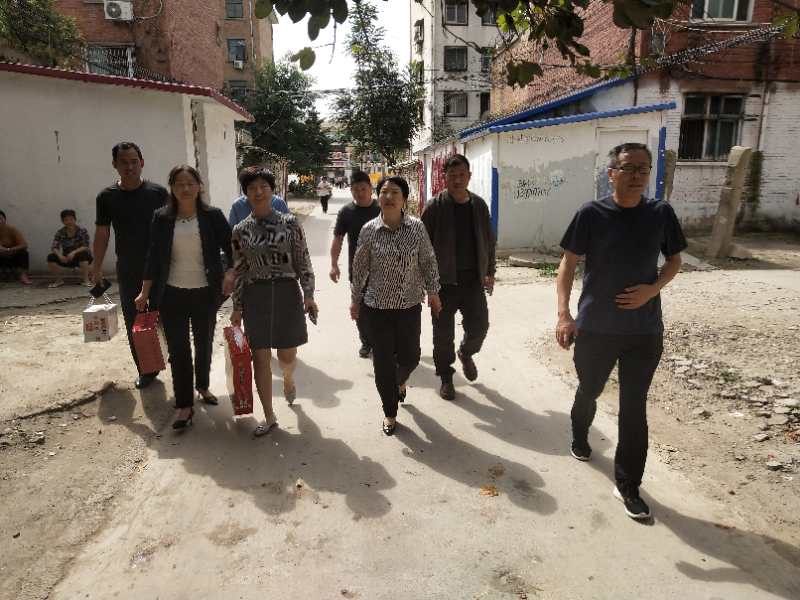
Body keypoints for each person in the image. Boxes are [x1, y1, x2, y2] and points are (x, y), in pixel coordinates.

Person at [556, 142, 687, 521]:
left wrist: (652, 290)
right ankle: (580, 432)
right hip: (596, 327)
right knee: (590, 389)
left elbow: (674, 260)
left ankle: (628, 485)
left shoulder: (660, 213)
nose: (637, 176)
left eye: (644, 169)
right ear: (611, 173)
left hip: (643, 331)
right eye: (629, 168)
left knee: (634, 407)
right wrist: (564, 314)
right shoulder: (591, 214)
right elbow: (567, 264)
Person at [135, 165, 233, 431]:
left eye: (190, 183)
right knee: (178, 350)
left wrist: (230, 273)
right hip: (171, 294)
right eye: (179, 184)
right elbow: (153, 256)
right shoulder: (162, 218)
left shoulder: (213, 216)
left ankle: (202, 386)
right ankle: (184, 405)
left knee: (203, 343)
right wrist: (145, 291)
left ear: (199, 186)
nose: (185, 188)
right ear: (172, 188)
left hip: (205, 293)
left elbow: (231, 248)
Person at [230, 167, 318, 437]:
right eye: (252, 188)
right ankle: (269, 416)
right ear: (245, 194)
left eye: (263, 187)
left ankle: (288, 378)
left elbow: (303, 260)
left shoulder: (290, 224)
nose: (258, 192)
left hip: (286, 293)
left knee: (286, 356)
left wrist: (309, 294)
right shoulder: (240, 230)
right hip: (255, 296)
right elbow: (240, 270)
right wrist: (237, 306)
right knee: (260, 358)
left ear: (272, 190)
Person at [350, 176, 441, 436]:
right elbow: (359, 268)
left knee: (411, 357)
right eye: (384, 192)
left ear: (404, 199)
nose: (389, 197)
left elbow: (428, 261)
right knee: (382, 365)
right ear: (378, 197)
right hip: (376, 308)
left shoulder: (417, 228)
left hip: (409, 305)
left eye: (395, 192)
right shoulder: (369, 230)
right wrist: (355, 300)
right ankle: (389, 412)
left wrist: (433, 292)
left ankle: (400, 382)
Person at [421, 154, 496, 401]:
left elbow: (489, 241)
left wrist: (490, 271)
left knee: (480, 327)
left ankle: (466, 352)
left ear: (469, 176)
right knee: (443, 335)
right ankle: (446, 376)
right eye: (452, 175)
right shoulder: (434, 207)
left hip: (472, 281)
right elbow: (421, 247)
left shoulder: (479, 206)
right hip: (443, 283)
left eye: (461, 175)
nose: (457, 180)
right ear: (444, 177)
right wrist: (426, 285)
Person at [93, 142, 168, 389]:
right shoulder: (106, 197)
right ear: (114, 165)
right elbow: (102, 233)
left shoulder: (158, 193)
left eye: (134, 161)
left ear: (142, 163)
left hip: (161, 267)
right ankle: (147, 370)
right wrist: (96, 266)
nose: (130, 167)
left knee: (167, 316)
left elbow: (172, 228)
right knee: (136, 320)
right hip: (129, 268)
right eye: (123, 162)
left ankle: (174, 360)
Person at [329, 170, 381, 358]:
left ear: (370, 189)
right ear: (351, 190)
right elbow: (338, 239)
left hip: (383, 269)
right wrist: (334, 264)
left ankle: (383, 341)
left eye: (363, 189)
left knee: (382, 308)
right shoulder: (346, 212)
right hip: (357, 270)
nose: (359, 193)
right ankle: (366, 342)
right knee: (361, 309)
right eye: (355, 189)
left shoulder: (381, 209)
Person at [47, 209, 93, 288]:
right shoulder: (60, 232)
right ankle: (59, 281)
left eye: (71, 219)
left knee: (84, 254)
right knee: (51, 257)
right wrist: (60, 256)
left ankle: (86, 280)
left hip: (81, 257)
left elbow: (85, 246)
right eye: (66, 220)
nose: (69, 222)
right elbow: (54, 247)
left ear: (75, 219)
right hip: (67, 258)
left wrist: (73, 252)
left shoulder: (82, 230)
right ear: (63, 221)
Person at [0, 210, 32, 285]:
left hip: (12, 255)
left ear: (4, 220)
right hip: (1, 257)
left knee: (24, 253)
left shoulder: (11, 230)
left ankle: (23, 276)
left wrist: (9, 249)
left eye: (0, 219)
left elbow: (24, 244)